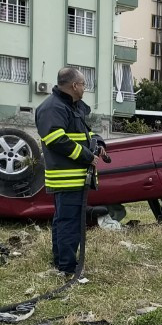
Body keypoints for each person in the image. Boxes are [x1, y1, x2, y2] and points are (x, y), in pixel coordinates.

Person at [36, 67, 108, 278]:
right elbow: (56, 139)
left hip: (74, 177)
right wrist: (87, 156)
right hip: (66, 177)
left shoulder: (70, 106)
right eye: (84, 84)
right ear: (75, 86)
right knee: (69, 223)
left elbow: (83, 132)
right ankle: (67, 267)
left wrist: (99, 141)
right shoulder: (53, 108)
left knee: (65, 221)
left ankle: (62, 262)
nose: (85, 88)